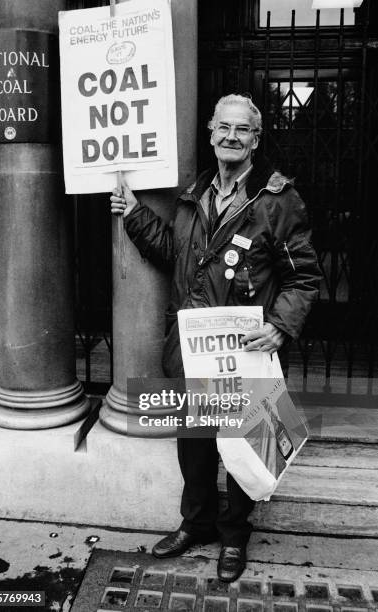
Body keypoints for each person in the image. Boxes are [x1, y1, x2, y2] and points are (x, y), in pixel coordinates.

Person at [110, 93, 321, 582]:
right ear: (210, 133)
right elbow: (175, 254)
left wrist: (280, 325)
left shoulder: (277, 200)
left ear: (256, 138)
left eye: (242, 130)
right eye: (223, 128)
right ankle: (196, 523)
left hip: (245, 350)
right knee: (196, 442)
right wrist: (134, 214)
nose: (231, 136)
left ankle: (234, 536)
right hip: (194, 348)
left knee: (247, 440)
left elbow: (303, 276)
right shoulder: (194, 195)